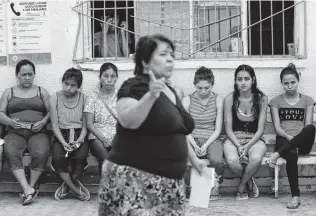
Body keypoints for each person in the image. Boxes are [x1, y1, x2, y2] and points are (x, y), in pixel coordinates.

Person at [98, 34, 207, 216]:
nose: (170, 59)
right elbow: (127, 120)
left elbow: (177, 131)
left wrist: (194, 161)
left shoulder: (170, 90)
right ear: (145, 61)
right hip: (134, 179)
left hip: (169, 183)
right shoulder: (134, 86)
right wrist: (150, 96)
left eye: (172, 54)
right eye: (163, 54)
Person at [0, 59, 51, 205]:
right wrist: (10, 122)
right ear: (17, 75)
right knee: (10, 151)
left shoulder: (41, 91)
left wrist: (42, 122)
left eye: (30, 74)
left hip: (38, 132)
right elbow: (1, 113)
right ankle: (27, 188)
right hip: (15, 133)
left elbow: (51, 112)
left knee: (41, 152)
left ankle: (31, 187)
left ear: (34, 75)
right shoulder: (8, 93)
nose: (27, 77)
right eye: (23, 75)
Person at [266, 63, 315, 209]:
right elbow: (277, 127)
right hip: (284, 139)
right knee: (291, 154)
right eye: (286, 83)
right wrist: (290, 138)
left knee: (311, 128)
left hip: (303, 141)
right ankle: (295, 196)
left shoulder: (308, 100)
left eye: (293, 82)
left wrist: (297, 139)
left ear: (298, 81)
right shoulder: (275, 101)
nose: (290, 86)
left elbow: (307, 126)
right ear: (282, 84)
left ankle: (277, 154)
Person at [223, 64, 268, 200]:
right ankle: (249, 180)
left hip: (254, 139)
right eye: (239, 79)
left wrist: (247, 146)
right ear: (235, 81)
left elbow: (260, 130)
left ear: (253, 80)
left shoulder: (261, 98)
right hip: (233, 139)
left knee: (255, 159)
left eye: (246, 79)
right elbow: (228, 129)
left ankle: (242, 185)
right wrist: (238, 145)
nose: (243, 83)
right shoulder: (230, 99)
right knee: (232, 161)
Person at [182, 66, 225, 200]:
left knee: (217, 160)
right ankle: (191, 187)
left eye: (207, 87)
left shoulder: (218, 100)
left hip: (211, 138)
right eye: (199, 87)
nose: (203, 91)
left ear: (212, 85)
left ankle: (215, 184)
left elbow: (217, 129)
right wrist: (195, 145)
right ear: (194, 85)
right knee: (185, 159)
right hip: (191, 137)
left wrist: (206, 145)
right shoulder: (187, 100)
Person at [49, 68, 90, 201]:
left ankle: (67, 184)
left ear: (79, 86)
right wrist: (64, 143)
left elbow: (85, 126)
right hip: (61, 134)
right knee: (58, 158)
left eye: (73, 85)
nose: (68, 88)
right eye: (66, 83)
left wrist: (79, 141)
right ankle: (75, 189)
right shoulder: (54, 97)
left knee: (80, 157)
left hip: (79, 134)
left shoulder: (84, 98)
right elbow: (55, 125)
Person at [84, 62, 118, 174]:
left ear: (116, 78)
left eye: (112, 76)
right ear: (100, 78)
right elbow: (89, 124)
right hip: (97, 136)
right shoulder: (93, 97)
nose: (109, 80)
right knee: (105, 160)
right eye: (105, 76)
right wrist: (103, 139)